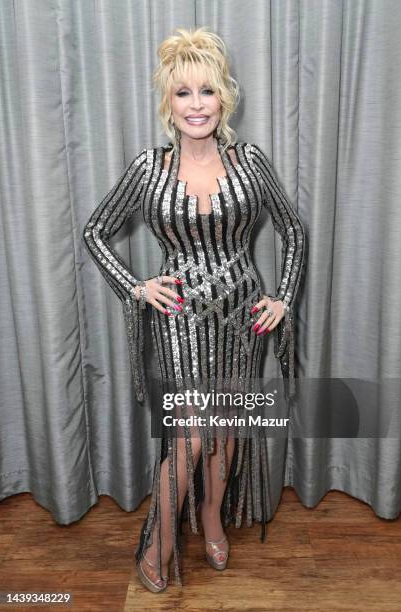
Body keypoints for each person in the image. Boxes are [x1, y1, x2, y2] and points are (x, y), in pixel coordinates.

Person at [83, 26, 305, 592]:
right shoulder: (148, 168)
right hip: (180, 318)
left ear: (223, 97)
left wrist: (282, 295)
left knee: (225, 429)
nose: (197, 104)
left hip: (240, 316)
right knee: (191, 433)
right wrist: (137, 287)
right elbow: (94, 232)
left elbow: (293, 231)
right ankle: (158, 538)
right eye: (184, 93)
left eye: (206, 91)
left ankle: (209, 517)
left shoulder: (250, 161)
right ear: (169, 102)